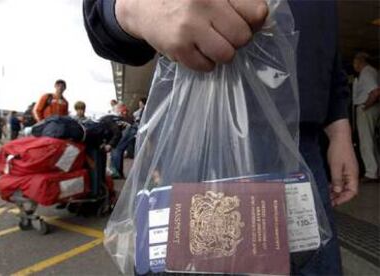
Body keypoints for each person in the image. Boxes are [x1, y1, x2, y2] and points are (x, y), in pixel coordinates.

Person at [83, 0, 359, 274]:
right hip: (200, 140)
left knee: (313, 261)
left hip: (303, 145)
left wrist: (339, 126)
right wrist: (136, 7)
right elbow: (99, 13)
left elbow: (329, 44)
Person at [352, 52, 380, 183]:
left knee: (366, 141)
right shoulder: (374, 71)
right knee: (372, 140)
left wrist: (365, 106)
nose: (354, 65)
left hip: (367, 108)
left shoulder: (367, 72)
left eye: (354, 62)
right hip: (374, 108)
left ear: (360, 61)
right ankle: (376, 169)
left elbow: (375, 92)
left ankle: (371, 172)